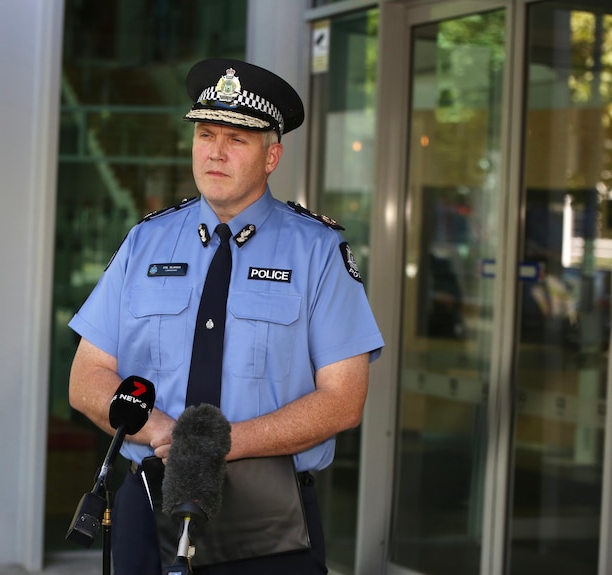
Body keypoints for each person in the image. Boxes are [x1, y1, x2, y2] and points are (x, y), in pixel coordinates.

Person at [68, 58, 384, 574]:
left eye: (236, 139)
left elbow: (344, 400)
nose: (215, 151)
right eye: (206, 134)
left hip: (268, 519)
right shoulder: (145, 242)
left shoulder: (317, 252)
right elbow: (86, 380)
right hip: (149, 503)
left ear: (271, 156)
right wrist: (165, 430)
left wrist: (215, 444)